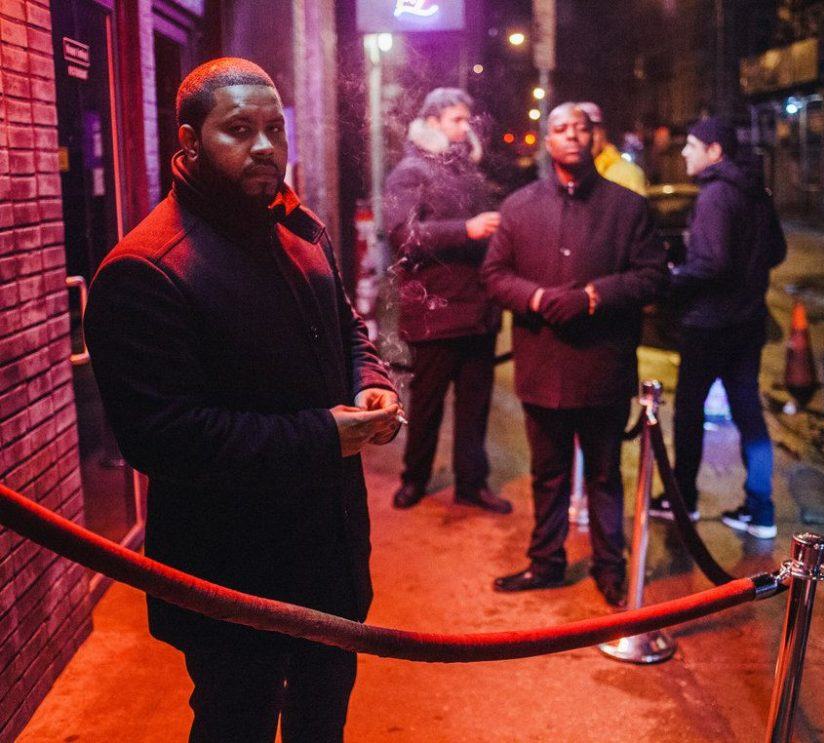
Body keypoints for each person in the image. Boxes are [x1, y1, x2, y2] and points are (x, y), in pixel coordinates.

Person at [84, 58, 402, 742]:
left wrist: (370, 376)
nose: (264, 146)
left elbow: (346, 325)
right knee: (237, 722)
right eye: (238, 129)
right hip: (231, 570)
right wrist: (323, 434)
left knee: (324, 719)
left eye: (273, 129)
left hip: (329, 554)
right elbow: (163, 436)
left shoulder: (297, 223)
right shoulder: (145, 269)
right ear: (189, 142)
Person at [482, 102, 665, 607]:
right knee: (548, 473)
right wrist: (539, 298)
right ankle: (546, 562)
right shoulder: (519, 207)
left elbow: (654, 276)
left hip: (603, 366)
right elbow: (494, 276)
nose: (571, 138)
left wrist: (592, 296)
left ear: (594, 139)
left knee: (606, 474)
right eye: (560, 129)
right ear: (547, 140)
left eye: (580, 130)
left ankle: (611, 566)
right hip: (542, 365)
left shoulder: (628, 208)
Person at [652, 116, 786, 539]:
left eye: (691, 146)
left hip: (708, 324)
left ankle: (683, 501)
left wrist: (672, 277)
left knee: (689, 412)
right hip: (747, 322)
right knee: (749, 415)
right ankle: (760, 510)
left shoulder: (714, 197)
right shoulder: (756, 192)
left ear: (714, 152)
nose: (685, 153)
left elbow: (711, 263)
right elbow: (777, 250)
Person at [385, 88, 510, 514]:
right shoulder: (409, 173)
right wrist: (468, 229)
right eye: (457, 119)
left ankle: (471, 484)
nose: (466, 128)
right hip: (435, 311)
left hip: (477, 310)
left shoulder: (468, 174)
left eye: (467, 120)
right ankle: (414, 479)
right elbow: (403, 235)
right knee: (428, 404)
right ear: (434, 120)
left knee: (474, 408)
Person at [578, 101, 647, 196]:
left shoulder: (626, 174)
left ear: (602, 133)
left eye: (591, 132)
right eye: (580, 133)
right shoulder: (574, 176)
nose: (587, 140)